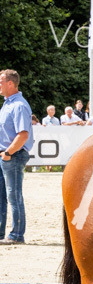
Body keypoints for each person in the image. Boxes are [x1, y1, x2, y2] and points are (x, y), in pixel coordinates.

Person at [0, 70, 34, 245]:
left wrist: (8, 153)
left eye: (1, 82)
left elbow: (23, 135)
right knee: (2, 196)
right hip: (6, 155)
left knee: (14, 195)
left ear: (10, 84)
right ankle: (1, 233)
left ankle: (17, 235)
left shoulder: (18, 105)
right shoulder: (7, 104)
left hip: (13, 155)